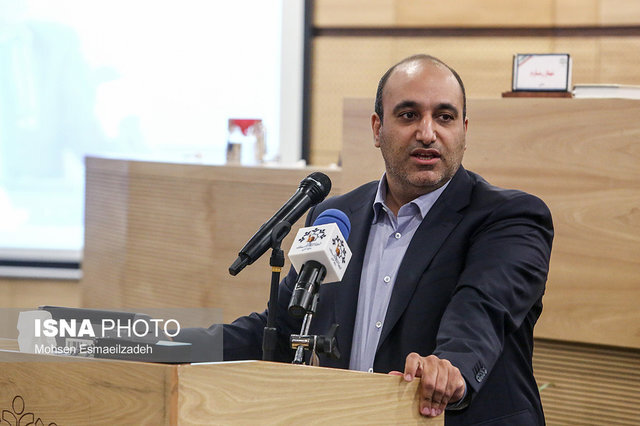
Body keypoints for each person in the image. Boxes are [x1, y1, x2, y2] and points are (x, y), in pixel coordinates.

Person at [178, 54, 553, 425]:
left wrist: (450, 368)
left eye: (444, 117)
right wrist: (163, 344)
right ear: (377, 128)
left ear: (464, 130)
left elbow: (483, 311)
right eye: (408, 115)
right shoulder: (336, 216)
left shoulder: (511, 218)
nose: (427, 133)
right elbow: (282, 330)